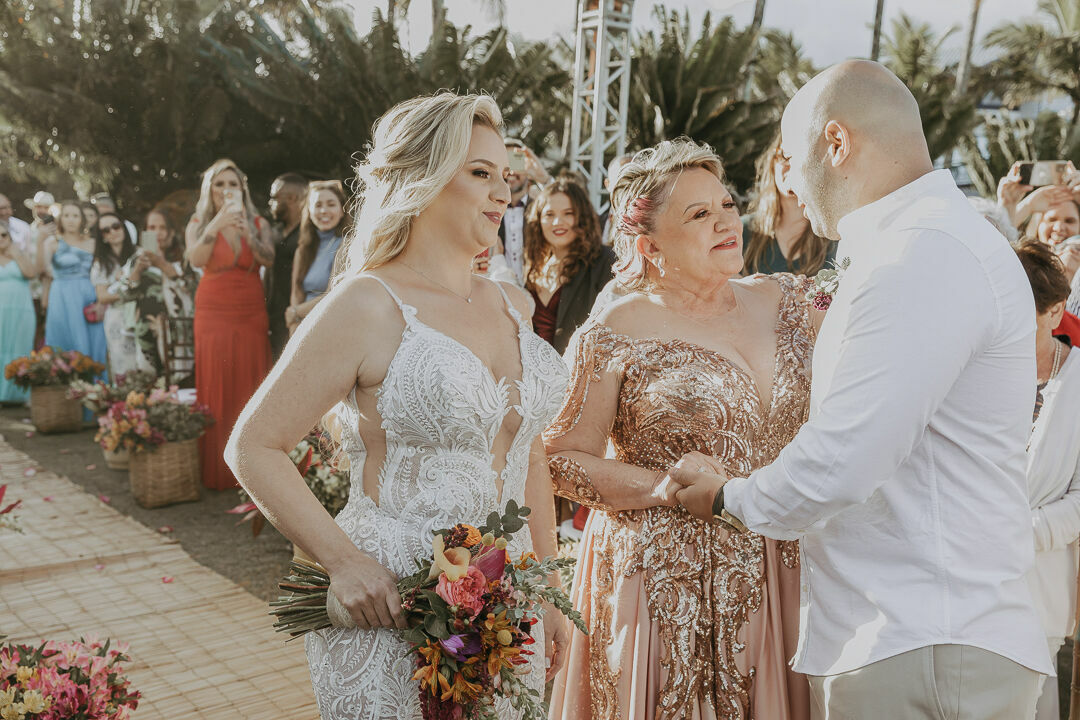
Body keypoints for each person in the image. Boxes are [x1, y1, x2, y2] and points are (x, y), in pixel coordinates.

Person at [670, 60, 1053, 719]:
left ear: (837, 143)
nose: (784, 180)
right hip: (934, 632)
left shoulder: (918, 255)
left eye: (789, 158)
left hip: (922, 639)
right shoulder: (934, 242)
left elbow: (845, 461)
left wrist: (728, 496)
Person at [224, 92, 569, 720]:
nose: (502, 193)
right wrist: (345, 563)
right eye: (479, 172)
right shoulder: (368, 304)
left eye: (506, 177)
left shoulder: (514, 305)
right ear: (426, 177)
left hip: (507, 609)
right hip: (392, 608)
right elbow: (253, 446)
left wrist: (547, 586)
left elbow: (529, 454)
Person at [545, 138, 816, 719]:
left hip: (788, 568)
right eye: (699, 214)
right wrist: (661, 486)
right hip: (667, 587)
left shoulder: (790, 300)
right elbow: (560, 459)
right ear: (649, 246)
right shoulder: (615, 328)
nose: (725, 222)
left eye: (726, 205)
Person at [1011, 239, 1080, 720]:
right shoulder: (972, 373)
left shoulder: (1075, 383)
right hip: (963, 582)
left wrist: (1020, 532)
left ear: (1056, 312)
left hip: (1040, 588)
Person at [186, 159, 273, 491]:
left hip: (250, 308)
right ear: (210, 190)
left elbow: (268, 258)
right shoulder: (199, 221)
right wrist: (217, 225)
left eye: (232, 184)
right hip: (213, 309)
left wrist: (248, 230)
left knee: (252, 379)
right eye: (219, 184)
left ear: (242, 188)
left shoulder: (258, 221)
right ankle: (219, 471)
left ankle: (253, 473)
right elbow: (195, 259)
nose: (226, 190)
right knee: (217, 380)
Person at [522, 177, 614, 355]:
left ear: (582, 217)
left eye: (568, 213)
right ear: (538, 220)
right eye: (549, 215)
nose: (558, 222)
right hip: (536, 375)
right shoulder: (535, 265)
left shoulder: (604, 261)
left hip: (581, 373)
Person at [743, 132, 836, 276]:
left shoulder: (832, 234)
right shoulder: (741, 231)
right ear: (772, 162)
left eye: (801, 158)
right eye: (786, 157)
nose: (793, 167)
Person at [39, 200, 107, 372]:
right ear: (60, 219)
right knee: (63, 338)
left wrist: (101, 301)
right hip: (61, 295)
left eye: (75, 216)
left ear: (82, 220)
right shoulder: (52, 243)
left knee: (91, 339)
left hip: (88, 294)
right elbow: (41, 271)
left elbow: (101, 273)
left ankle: (92, 386)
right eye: (66, 215)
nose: (70, 220)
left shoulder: (93, 243)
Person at [286, 180, 349, 334]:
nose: (324, 211)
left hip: (330, 324)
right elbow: (296, 291)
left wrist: (295, 313)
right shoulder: (303, 250)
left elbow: (332, 295)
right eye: (318, 205)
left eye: (331, 204)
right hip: (302, 326)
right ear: (309, 211)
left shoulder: (346, 245)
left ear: (342, 211)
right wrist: (295, 328)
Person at [494, 138, 552, 284]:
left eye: (516, 161)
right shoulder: (485, 210)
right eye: (506, 164)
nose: (511, 171)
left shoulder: (542, 208)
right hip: (498, 292)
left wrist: (543, 178)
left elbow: (572, 211)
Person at [90, 211, 139, 377]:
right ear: (102, 237)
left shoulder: (139, 255)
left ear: (123, 228)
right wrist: (129, 292)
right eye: (106, 230)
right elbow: (102, 296)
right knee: (122, 365)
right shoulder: (101, 264)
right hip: (116, 317)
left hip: (140, 313)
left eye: (116, 226)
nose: (113, 232)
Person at [267, 173, 307, 358]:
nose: (270, 203)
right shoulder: (273, 233)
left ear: (292, 198)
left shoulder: (309, 235)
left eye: (275, 198)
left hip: (299, 316)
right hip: (274, 318)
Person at [0, 220, 36, 404]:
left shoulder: (19, 253)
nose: (0, 239)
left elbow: (31, 273)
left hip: (21, 309)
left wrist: (17, 254)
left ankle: (19, 393)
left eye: (3, 235)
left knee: (19, 347)